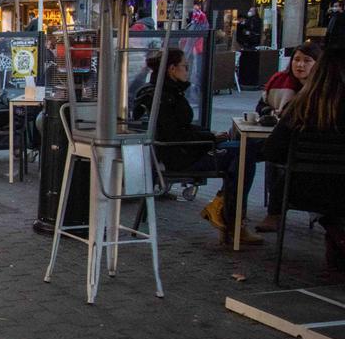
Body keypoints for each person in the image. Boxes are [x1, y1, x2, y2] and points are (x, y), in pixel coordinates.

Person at [132, 48, 263, 244]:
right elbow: (175, 134)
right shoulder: (165, 96)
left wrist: (210, 136)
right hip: (182, 156)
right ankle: (233, 220)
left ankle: (225, 209)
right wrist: (210, 138)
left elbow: (178, 128)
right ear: (172, 69)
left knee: (243, 151)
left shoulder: (163, 91)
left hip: (180, 151)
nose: (188, 70)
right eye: (185, 66)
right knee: (244, 154)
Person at [262, 46, 345, 268]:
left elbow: (272, 151)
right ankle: (337, 234)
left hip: (302, 190)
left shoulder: (300, 106)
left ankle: (335, 232)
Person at [256, 42, 322, 232]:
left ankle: (268, 213)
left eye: (306, 61)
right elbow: (261, 107)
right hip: (332, 185)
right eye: (297, 60)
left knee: (252, 152)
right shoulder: (281, 82)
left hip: (302, 182)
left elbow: (272, 150)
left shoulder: (302, 104)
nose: (300, 65)